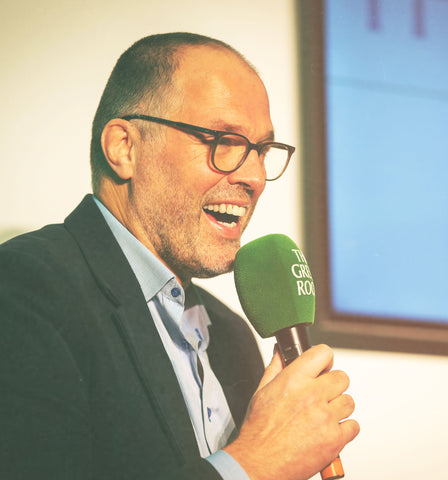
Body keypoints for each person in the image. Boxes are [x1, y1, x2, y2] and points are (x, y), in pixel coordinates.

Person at [0, 33, 359, 480]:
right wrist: (253, 464)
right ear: (124, 149)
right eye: (223, 140)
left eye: (262, 151)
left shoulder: (231, 335)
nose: (254, 177)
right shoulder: (23, 288)